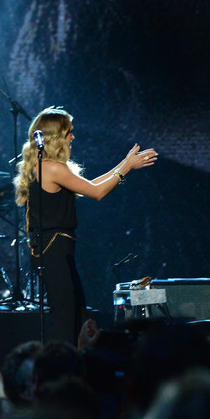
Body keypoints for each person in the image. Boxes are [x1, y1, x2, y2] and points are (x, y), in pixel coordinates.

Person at [13, 106, 157, 343]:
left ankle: (73, 362)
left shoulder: (48, 167)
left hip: (58, 248)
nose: (73, 137)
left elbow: (90, 185)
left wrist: (123, 163)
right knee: (65, 315)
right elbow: (98, 192)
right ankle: (58, 365)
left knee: (76, 311)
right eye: (69, 132)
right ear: (57, 137)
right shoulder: (51, 167)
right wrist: (127, 167)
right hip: (54, 249)